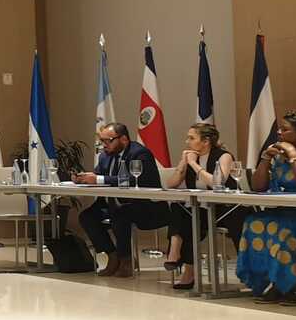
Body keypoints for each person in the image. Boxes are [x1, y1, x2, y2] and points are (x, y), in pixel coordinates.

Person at [74, 122, 166, 278]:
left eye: (107, 141)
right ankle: (112, 255)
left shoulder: (140, 153)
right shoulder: (105, 156)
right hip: (113, 203)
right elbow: (99, 175)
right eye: (101, 141)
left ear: (123, 139)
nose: (103, 145)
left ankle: (126, 260)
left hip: (144, 204)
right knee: (87, 216)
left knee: (120, 215)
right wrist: (82, 178)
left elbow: (134, 179)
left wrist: (98, 179)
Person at [162, 123, 243, 289]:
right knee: (181, 211)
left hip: (225, 209)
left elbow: (217, 183)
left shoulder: (224, 156)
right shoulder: (191, 157)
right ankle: (176, 252)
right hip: (201, 208)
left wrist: (194, 164)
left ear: (206, 141)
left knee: (190, 220)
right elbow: (170, 184)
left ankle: (185, 267)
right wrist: (182, 165)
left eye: (191, 138)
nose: (187, 142)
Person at [237, 111, 296, 305]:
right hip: (285, 209)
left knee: (281, 229)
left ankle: (292, 286)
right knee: (253, 222)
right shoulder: (279, 158)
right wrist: (265, 159)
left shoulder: (291, 156)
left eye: (285, 130)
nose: (279, 133)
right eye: (279, 129)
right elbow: (258, 186)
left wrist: (293, 155)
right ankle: (275, 282)